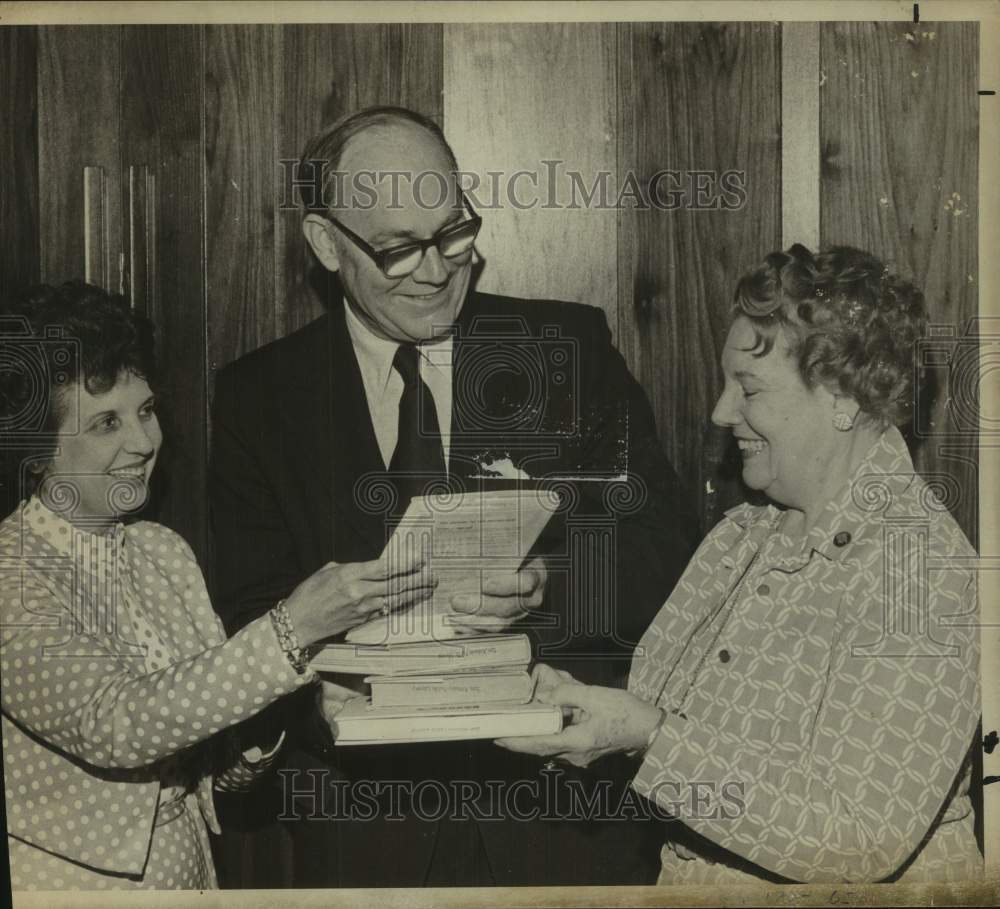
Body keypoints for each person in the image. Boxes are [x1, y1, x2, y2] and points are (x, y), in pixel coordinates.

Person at [208, 105, 698, 886]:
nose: (436, 270)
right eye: (398, 248)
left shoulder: (568, 351)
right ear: (327, 244)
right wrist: (319, 701)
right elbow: (247, 613)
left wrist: (548, 586)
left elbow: (663, 550)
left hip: (563, 823)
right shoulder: (257, 399)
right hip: (364, 835)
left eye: (453, 233)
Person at [499, 244, 982, 884]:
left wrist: (648, 736)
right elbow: (675, 727)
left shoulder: (917, 569)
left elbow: (861, 839)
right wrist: (581, 710)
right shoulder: (742, 535)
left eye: (748, 388)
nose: (721, 413)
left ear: (843, 397)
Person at [0, 281, 430, 890]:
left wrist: (271, 724)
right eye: (105, 423)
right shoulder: (10, 573)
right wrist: (291, 629)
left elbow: (211, 763)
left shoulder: (162, 552)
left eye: (146, 410)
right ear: (36, 449)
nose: (143, 442)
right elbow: (113, 722)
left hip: (193, 875)